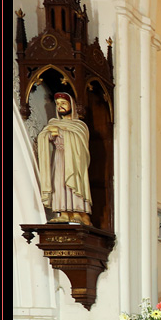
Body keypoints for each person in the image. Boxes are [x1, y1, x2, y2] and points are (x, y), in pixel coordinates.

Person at [36, 92, 93, 225]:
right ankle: (64, 213)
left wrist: (60, 132)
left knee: (74, 182)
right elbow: (44, 137)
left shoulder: (79, 125)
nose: (60, 106)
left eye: (63, 103)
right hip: (59, 158)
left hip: (74, 161)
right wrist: (48, 134)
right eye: (58, 104)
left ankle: (78, 212)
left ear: (71, 105)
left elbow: (81, 143)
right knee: (59, 184)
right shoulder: (54, 122)